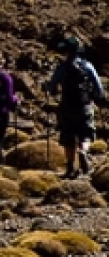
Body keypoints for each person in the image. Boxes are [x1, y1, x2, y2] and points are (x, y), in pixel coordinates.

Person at [45, 36, 105, 178]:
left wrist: (47, 87)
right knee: (86, 134)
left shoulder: (62, 68)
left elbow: (51, 86)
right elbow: (99, 88)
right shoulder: (88, 66)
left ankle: (70, 167)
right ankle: (83, 151)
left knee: (68, 137)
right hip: (84, 105)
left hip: (67, 107)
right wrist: (96, 97)